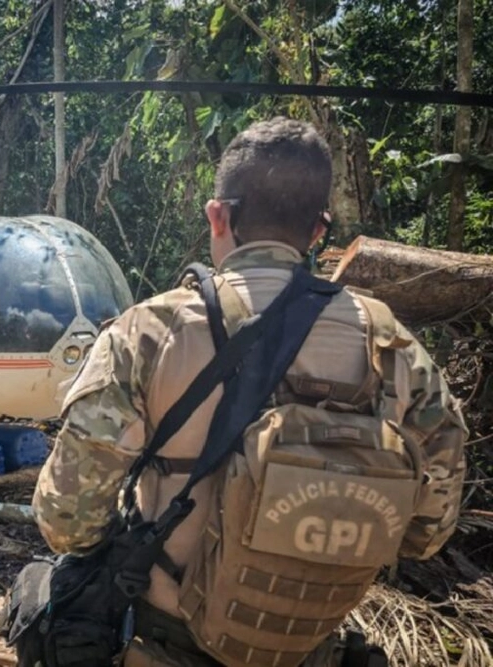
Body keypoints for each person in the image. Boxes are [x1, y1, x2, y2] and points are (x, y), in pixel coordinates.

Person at [31, 117, 467, 666]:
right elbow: (428, 533)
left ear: (219, 216)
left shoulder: (149, 332)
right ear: (318, 230)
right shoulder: (391, 344)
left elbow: (67, 522)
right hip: (309, 647)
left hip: (169, 640)